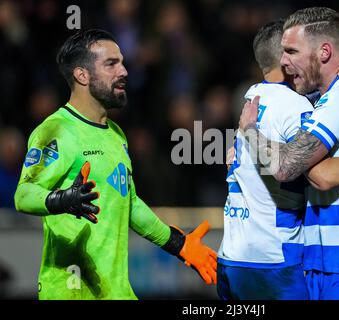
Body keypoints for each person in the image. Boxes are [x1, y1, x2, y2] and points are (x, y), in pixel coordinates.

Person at [14, 29, 217, 300]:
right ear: (82, 75)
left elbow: (129, 202)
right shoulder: (55, 130)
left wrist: (178, 244)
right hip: (71, 291)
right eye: (111, 64)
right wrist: (61, 200)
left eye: (121, 62)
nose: (124, 71)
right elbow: (24, 194)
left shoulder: (116, 134)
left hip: (115, 290)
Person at [219, 19, 339, 300]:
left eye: (294, 51)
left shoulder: (253, 97)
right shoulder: (302, 106)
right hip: (291, 259)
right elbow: (314, 173)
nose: (289, 59)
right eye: (286, 52)